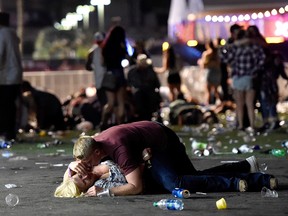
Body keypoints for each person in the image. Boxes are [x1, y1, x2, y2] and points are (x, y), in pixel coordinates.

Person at [71, 121, 278, 196]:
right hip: (151, 142)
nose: (85, 168)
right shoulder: (93, 147)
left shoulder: (117, 149)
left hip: (162, 143)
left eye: (87, 163)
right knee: (191, 177)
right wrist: (75, 167)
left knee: (175, 183)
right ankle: (246, 166)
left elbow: (136, 187)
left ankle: (239, 182)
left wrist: (105, 192)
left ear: (98, 153)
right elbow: (74, 169)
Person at [221, 29, 266, 131]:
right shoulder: (253, 47)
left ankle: (241, 125)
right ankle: (252, 125)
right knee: (250, 104)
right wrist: (254, 71)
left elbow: (225, 57)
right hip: (249, 77)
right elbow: (262, 58)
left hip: (237, 78)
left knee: (239, 104)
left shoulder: (235, 48)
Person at [0, 12, 23, 141]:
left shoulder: (2, 34)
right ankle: (10, 133)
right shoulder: (12, 33)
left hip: (5, 78)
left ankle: (5, 132)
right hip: (15, 76)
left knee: (4, 106)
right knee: (11, 106)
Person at [100, 25, 128, 130]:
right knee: (121, 102)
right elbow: (126, 59)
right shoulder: (121, 46)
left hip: (109, 74)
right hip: (119, 74)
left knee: (110, 103)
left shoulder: (106, 47)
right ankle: (121, 126)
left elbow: (102, 63)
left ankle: (103, 123)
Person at [54, 159, 127, 198]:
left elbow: (67, 178)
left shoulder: (85, 166)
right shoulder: (100, 185)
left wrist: (71, 166)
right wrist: (105, 191)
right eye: (85, 182)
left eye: (80, 175)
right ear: (87, 189)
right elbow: (133, 185)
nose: (86, 176)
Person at [127, 54, 161, 121]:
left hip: (149, 93)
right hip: (138, 94)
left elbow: (156, 84)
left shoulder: (150, 71)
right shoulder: (132, 72)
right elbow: (130, 84)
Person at [86, 32, 107, 107]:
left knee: (104, 104)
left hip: (100, 83)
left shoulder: (92, 52)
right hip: (108, 83)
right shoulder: (109, 50)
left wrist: (95, 68)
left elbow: (88, 67)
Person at [198, 40, 222, 105]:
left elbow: (204, 65)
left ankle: (207, 105)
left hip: (210, 73)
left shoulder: (207, 54)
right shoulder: (217, 53)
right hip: (217, 72)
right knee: (216, 90)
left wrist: (200, 62)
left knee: (208, 91)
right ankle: (221, 102)